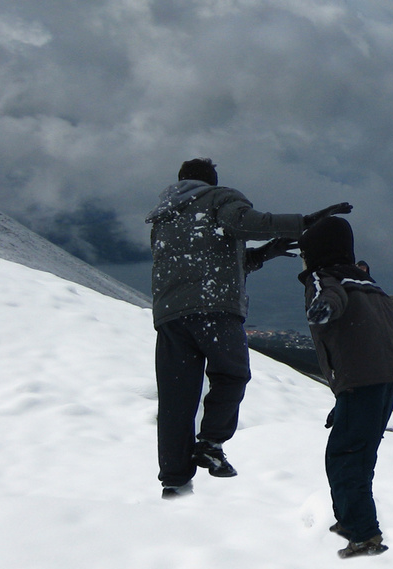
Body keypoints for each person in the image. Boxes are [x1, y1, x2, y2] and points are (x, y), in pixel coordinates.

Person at [147, 157, 350, 499]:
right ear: (210, 181)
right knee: (232, 374)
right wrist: (304, 223)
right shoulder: (217, 198)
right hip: (215, 309)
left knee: (176, 400)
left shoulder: (162, 217)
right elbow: (246, 223)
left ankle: (174, 481)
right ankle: (210, 442)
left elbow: (206, 261)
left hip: (170, 316)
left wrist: (264, 254)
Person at [297, 215, 393, 559]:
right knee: (359, 455)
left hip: (364, 380)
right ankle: (350, 520)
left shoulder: (323, 277)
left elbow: (330, 296)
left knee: (345, 457)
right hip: (386, 376)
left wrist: (323, 308)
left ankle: (363, 534)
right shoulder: (365, 280)